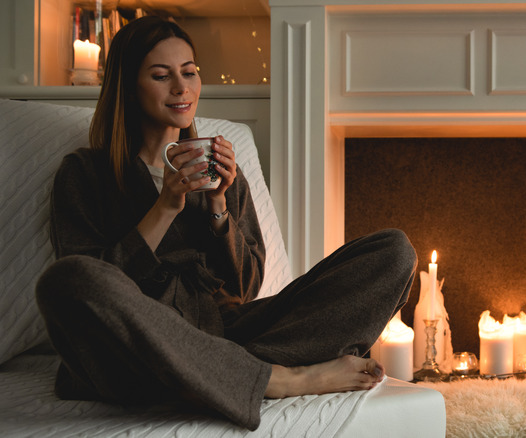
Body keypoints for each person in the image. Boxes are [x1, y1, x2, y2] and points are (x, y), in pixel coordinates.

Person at [35, 16, 416, 430]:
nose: (181, 88)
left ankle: (209, 376)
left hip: (224, 334)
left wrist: (218, 204)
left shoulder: (219, 172)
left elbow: (244, 288)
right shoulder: (85, 172)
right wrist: (166, 206)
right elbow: (95, 285)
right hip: (133, 346)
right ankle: (279, 378)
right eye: (162, 75)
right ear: (127, 85)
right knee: (66, 280)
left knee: (394, 251)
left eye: (189, 72)